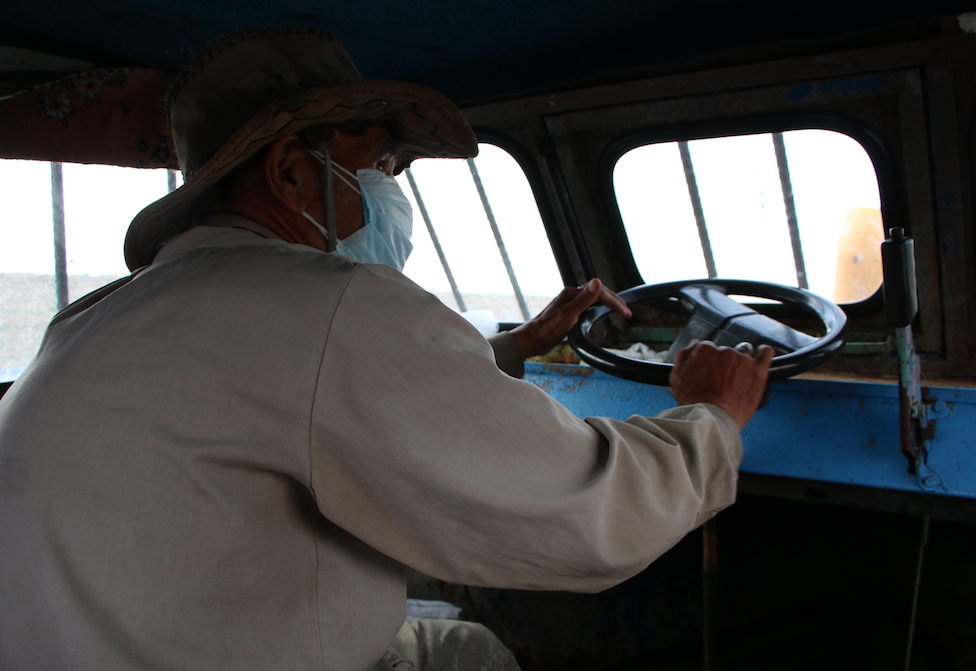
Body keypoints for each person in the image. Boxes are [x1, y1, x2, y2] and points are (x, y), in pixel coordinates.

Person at [0, 27, 772, 671]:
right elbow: (586, 514)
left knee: (453, 639)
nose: (387, 188)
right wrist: (711, 415)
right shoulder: (323, 301)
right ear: (291, 171)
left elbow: (308, 401)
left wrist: (517, 346)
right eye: (376, 163)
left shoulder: (91, 318)